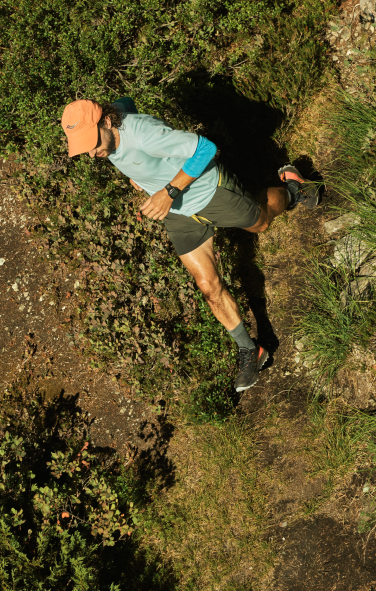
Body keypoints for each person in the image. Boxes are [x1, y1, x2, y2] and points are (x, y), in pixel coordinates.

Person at [60, 98, 319, 392]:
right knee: (207, 285)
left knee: (260, 222)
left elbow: (206, 149)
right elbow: (126, 103)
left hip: (209, 191)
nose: (93, 153)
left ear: (106, 122)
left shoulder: (144, 133)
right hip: (180, 214)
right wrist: (140, 177)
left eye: (92, 143)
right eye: (85, 147)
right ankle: (250, 350)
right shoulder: (113, 125)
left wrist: (167, 192)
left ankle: (294, 188)